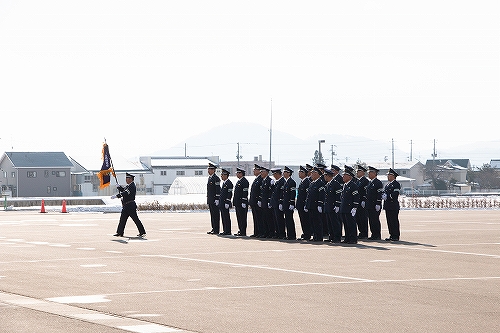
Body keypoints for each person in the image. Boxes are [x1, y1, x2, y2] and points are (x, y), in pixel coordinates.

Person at [112, 173, 146, 237]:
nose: (126, 180)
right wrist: (119, 187)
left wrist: (117, 196)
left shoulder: (132, 186)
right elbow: (123, 190)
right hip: (126, 206)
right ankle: (120, 232)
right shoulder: (128, 186)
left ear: (131, 179)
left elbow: (125, 193)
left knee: (135, 219)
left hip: (130, 206)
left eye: (127, 178)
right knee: (122, 220)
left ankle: (142, 232)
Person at [339, 166, 360, 244]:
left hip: (350, 208)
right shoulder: (345, 185)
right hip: (344, 208)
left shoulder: (353, 185)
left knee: (351, 224)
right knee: (346, 224)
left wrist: (355, 207)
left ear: (349, 177)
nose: (343, 177)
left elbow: (356, 197)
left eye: (345, 175)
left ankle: (353, 238)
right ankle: (347, 238)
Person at [323, 168, 342, 243]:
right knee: (329, 223)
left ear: (328, 176)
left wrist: (337, 205)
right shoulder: (328, 184)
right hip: (328, 206)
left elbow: (338, 195)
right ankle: (331, 236)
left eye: (325, 175)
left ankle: (337, 237)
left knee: (335, 223)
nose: (324, 177)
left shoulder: (335, 184)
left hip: (333, 206)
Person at [304, 166, 324, 242]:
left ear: (317, 174)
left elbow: (321, 195)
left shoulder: (320, 183)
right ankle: (315, 236)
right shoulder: (312, 183)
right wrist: (306, 205)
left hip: (316, 206)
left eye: (313, 173)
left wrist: (320, 204)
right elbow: (309, 196)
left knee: (317, 222)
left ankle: (319, 236)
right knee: (312, 222)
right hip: (311, 206)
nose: (311, 175)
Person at [383, 168, 401, 241]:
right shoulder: (388, 185)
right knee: (389, 221)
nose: (388, 176)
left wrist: (388, 196)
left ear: (393, 176)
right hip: (388, 205)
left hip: (393, 205)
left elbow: (395, 194)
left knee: (394, 221)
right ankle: (391, 234)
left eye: (389, 175)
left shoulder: (396, 184)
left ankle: (395, 235)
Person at [365, 166, 383, 240]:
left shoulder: (378, 183)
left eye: (370, 173)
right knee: (371, 220)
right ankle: (373, 234)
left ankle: (377, 234)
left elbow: (379, 194)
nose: (368, 174)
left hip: (375, 205)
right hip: (369, 205)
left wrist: (378, 203)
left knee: (375, 220)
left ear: (374, 173)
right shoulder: (370, 183)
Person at [296, 165, 311, 241]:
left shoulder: (307, 182)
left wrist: (306, 205)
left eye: (301, 172)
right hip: (300, 205)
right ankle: (305, 233)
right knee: (302, 220)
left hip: (304, 205)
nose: (299, 174)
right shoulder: (302, 182)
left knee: (306, 220)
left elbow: (307, 195)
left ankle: (307, 234)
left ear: (305, 173)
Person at [281, 166, 297, 240]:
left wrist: (292, 203)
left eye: (285, 172)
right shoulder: (286, 182)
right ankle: (289, 234)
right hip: (285, 204)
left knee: (289, 220)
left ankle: (292, 235)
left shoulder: (292, 182)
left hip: (289, 204)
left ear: (289, 173)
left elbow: (292, 194)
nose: (283, 173)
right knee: (287, 220)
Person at [233, 167, 249, 236]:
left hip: (242, 203)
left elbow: (245, 192)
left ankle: (243, 231)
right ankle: (240, 230)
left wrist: (244, 201)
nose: (237, 174)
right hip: (238, 203)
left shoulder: (245, 181)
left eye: (238, 173)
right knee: (239, 217)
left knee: (243, 217)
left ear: (241, 174)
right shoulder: (239, 181)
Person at [258, 166, 273, 238]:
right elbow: (262, 192)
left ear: (267, 172)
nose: (261, 173)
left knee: (269, 219)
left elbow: (271, 192)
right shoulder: (263, 180)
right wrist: (260, 200)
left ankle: (271, 233)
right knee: (264, 218)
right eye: (260, 172)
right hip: (263, 203)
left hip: (267, 203)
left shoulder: (270, 180)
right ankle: (266, 232)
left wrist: (269, 201)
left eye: (262, 172)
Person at [270, 167, 286, 239]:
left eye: (274, 174)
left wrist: (280, 202)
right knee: (275, 219)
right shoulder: (277, 182)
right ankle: (277, 233)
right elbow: (274, 193)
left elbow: (281, 194)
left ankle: (281, 233)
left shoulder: (282, 181)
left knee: (280, 220)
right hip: (274, 203)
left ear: (277, 174)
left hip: (278, 203)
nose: (273, 176)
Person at [249, 164, 263, 237]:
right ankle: (256, 232)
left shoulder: (260, 179)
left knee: (259, 218)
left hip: (258, 202)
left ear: (259, 171)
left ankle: (260, 232)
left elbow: (260, 191)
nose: (253, 171)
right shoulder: (256, 179)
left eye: (255, 170)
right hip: (254, 202)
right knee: (255, 218)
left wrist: (259, 200)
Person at [206, 163, 221, 235]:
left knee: (216, 215)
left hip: (215, 200)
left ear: (213, 170)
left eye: (209, 169)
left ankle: (216, 229)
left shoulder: (216, 178)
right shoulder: (210, 178)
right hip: (211, 199)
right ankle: (213, 228)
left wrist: (217, 198)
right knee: (212, 214)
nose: (208, 171)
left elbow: (218, 189)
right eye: (208, 169)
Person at [356, 165, 369, 239]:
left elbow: (365, 192)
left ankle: (364, 233)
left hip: (362, 202)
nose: (357, 172)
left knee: (363, 218)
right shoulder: (358, 181)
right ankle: (361, 232)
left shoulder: (365, 181)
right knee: (358, 218)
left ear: (363, 173)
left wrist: (364, 200)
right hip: (358, 202)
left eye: (358, 171)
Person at [218, 168, 233, 235]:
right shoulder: (224, 183)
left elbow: (229, 194)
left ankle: (228, 231)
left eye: (222, 175)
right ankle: (225, 230)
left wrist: (227, 202)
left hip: (225, 203)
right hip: (222, 203)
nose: (221, 176)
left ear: (226, 175)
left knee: (226, 217)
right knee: (223, 217)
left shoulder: (229, 183)